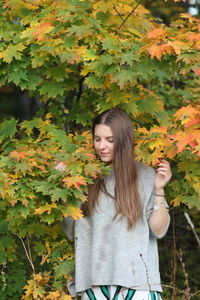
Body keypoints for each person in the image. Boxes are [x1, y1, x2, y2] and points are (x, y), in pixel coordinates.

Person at [62, 108, 172, 300]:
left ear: (123, 139)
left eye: (110, 140)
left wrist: (159, 189)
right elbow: (70, 231)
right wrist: (65, 190)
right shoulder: (83, 176)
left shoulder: (145, 175)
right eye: (97, 139)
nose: (102, 146)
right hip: (94, 284)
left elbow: (159, 231)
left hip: (138, 285)